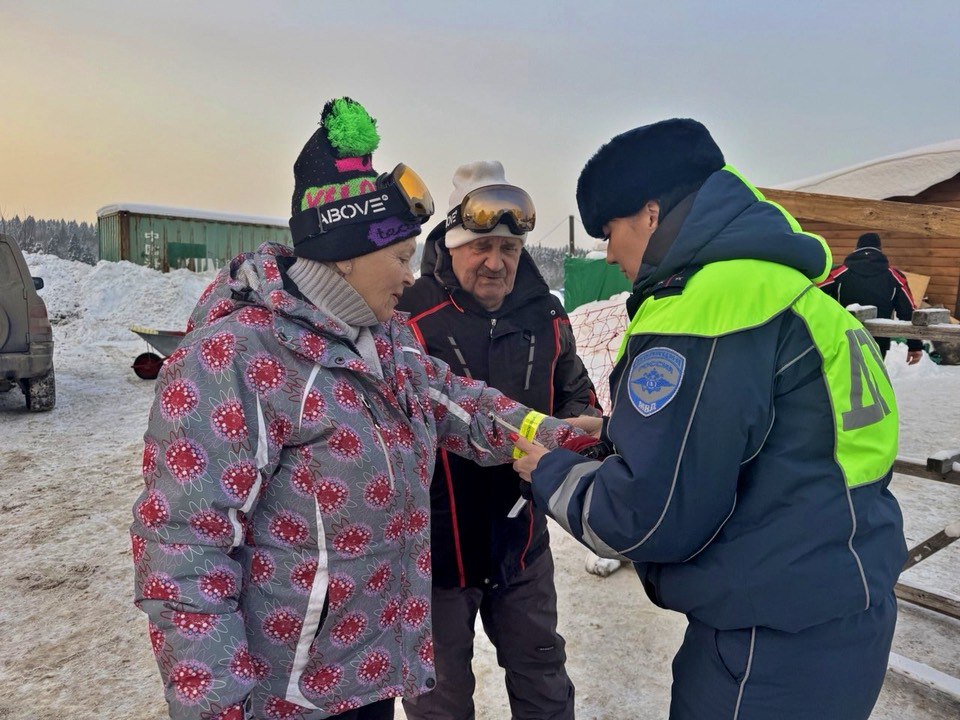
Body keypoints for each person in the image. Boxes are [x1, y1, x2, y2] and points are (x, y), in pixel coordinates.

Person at [130, 98, 582, 720]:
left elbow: (467, 409)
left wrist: (561, 436)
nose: (411, 276)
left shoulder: (385, 342)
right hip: (284, 699)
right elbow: (183, 549)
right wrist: (220, 708)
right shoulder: (235, 357)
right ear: (344, 254)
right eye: (400, 258)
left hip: (369, 677)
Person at [510, 119, 908, 720]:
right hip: (844, 608)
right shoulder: (789, 292)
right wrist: (618, 434)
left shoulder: (707, 308)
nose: (609, 253)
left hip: (767, 643)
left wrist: (550, 473)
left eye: (610, 231)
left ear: (649, 213)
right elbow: (776, 441)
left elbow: (650, 515)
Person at [397, 161, 600, 720]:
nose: (495, 262)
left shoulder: (546, 313)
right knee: (439, 703)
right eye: (481, 247)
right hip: (436, 554)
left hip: (521, 541)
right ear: (452, 246)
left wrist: (583, 429)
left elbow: (577, 398)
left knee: (544, 683)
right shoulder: (408, 316)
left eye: (509, 249)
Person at [818, 231, 924, 364]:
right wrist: (915, 345)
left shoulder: (838, 273)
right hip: (879, 341)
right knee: (873, 375)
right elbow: (907, 311)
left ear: (856, 248)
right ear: (880, 249)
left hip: (843, 337)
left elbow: (813, 293)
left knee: (844, 374)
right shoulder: (894, 277)